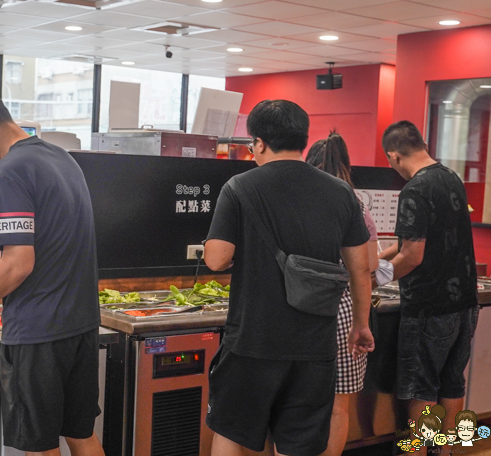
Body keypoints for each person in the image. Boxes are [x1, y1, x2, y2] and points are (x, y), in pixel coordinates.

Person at [204, 99, 375, 456]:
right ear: (302, 138)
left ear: (260, 143)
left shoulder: (239, 187)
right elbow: (361, 268)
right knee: (299, 442)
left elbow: (217, 260)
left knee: (232, 431)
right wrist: (361, 324)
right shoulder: (341, 192)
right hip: (315, 345)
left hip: (253, 339)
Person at [0, 87, 103, 456]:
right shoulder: (61, 158)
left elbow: (19, 264)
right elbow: (52, 234)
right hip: (80, 324)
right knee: (82, 435)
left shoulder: (9, 171)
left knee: (39, 444)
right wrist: (6, 247)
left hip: (38, 330)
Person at [380, 121, 479, 430]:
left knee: (422, 390)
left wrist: (375, 278)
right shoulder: (451, 178)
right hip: (464, 303)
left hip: (429, 307)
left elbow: (411, 256)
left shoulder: (415, 189)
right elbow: (415, 239)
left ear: (394, 156)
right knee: (452, 383)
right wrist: (376, 259)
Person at [306, 132, 381, 456]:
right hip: (345, 310)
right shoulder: (354, 202)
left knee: (297, 404)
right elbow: (370, 264)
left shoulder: (298, 200)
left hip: (301, 308)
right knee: (338, 406)